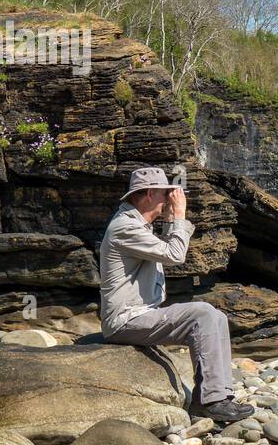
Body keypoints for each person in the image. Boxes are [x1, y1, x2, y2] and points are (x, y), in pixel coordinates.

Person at [98, 167, 253, 422]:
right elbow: (175, 255)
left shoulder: (139, 224)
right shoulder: (125, 227)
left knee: (217, 317)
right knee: (201, 313)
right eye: (165, 194)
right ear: (149, 193)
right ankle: (209, 401)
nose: (168, 200)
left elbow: (168, 251)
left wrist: (171, 220)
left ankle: (222, 396)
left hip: (142, 315)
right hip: (125, 320)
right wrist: (179, 215)